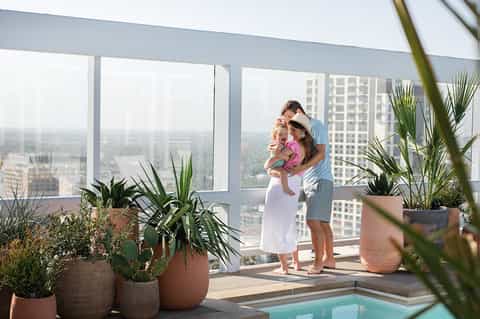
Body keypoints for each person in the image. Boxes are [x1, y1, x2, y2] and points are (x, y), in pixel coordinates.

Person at [277, 100, 335, 274]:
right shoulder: (301, 132)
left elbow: (321, 153)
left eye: (290, 117)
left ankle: (318, 263)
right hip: (311, 181)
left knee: (313, 222)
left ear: (300, 112)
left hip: (320, 179)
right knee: (323, 223)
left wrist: (301, 168)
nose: (288, 122)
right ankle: (329, 259)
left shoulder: (316, 126)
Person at [260, 113, 317, 274]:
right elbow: (285, 167)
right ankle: (296, 263)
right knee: (289, 224)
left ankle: (284, 267)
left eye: (291, 130)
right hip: (292, 183)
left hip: (280, 187)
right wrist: (274, 168)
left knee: (279, 226)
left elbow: (273, 166)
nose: (289, 134)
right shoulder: (304, 146)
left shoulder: (290, 147)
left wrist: (273, 164)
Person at [264, 117, 297, 196]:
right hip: (273, 168)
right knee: (283, 172)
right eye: (280, 134)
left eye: (285, 134)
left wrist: (289, 155)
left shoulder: (285, 146)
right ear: (275, 137)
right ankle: (286, 188)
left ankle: (285, 187)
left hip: (279, 167)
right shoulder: (276, 145)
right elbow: (279, 152)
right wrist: (285, 155)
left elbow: (289, 155)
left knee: (285, 172)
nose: (283, 136)